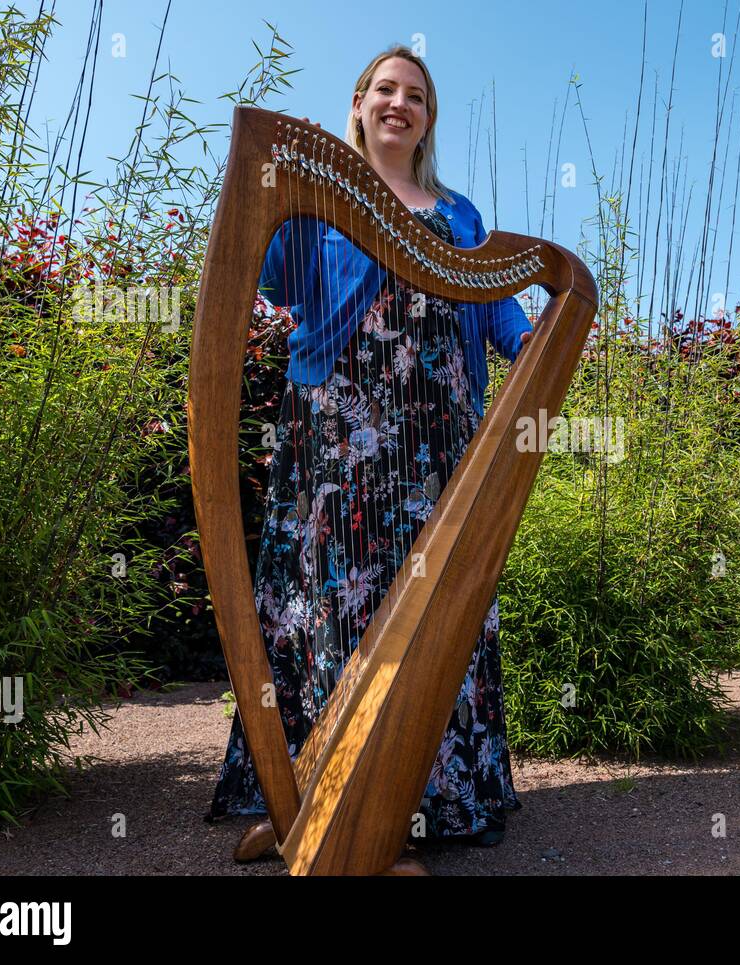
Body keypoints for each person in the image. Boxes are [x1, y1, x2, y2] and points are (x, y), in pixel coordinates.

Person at [206, 43, 531, 849]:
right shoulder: (318, 198)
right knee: (331, 594)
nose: (399, 103)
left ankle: (425, 792)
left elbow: (494, 307)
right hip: (337, 435)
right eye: (384, 90)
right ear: (357, 105)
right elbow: (272, 278)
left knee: (435, 599)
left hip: (437, 440)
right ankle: (313, 787)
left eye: (415, 94)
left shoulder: (458, 214)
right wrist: (279, 192)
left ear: (427, 118)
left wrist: (535, 340)